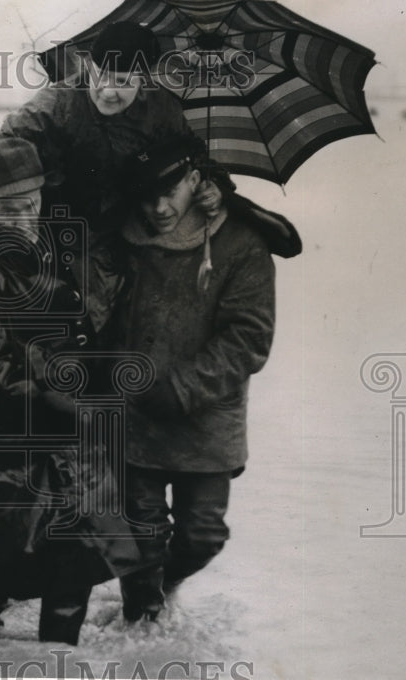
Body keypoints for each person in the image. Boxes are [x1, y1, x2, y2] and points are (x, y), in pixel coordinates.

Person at [0, 137, 142, 646]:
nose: (24, 218)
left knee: (73, 570)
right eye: (8, 208)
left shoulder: (43, 251)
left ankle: (55, 675)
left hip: (56, 449)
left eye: (32, 204)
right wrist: (68, 404)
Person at [106, 132, 283, 622]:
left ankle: (164, 589)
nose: (158, 207)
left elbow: (249, 338)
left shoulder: (242, 244)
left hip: (206, 417)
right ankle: (140, 630)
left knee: (203, 537)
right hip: (133, 414)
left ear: (195, 179)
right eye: (145, 196)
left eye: (170, 192)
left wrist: (181, 388)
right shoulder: (122, 237)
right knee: (139, 535)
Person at [0, 21, 217, 248]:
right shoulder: (53, 107)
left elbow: (192, 150)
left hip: (128, 227)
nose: (108, 91)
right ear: (88, 66)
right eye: (101, 76)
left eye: (122, 82)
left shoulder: (160, 109)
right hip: (56, 229)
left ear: (143, 80)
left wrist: (211, 183)